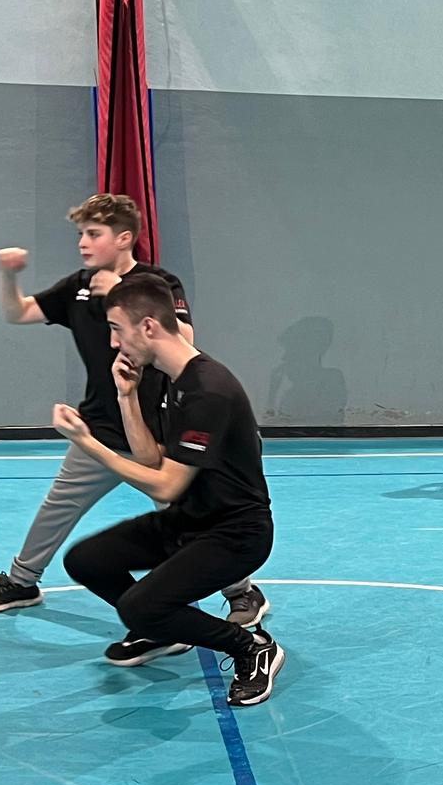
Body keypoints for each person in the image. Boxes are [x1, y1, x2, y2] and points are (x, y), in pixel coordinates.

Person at [0, 194, 264, 625]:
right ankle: (22, 581)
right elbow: (18, 313)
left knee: (191, 518)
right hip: (103, 424)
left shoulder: (156, 284)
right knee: (59, 505)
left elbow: (182, 334)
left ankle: (242, 591)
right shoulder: (80, 285)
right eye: (81, 235)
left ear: (124, 238)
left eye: (94, 234)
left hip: (159, 431)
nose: (83, 243)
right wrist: (6, 275)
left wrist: (122, 295)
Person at [54, 271, 285, 706]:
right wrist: (126, 397)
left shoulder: (207, 391)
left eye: (117, 329)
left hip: (235, 534)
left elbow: (166, 483)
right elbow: (150, 458)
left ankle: (251, 648)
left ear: (148, 327)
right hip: (190, 521)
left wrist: (88, 443)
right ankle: (162, 630)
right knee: (87, 560)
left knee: (139, 606)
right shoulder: (170, 380)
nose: (113, 343)